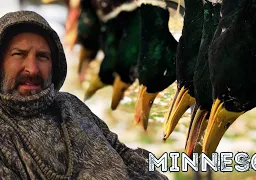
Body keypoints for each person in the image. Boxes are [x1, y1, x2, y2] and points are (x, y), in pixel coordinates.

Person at [0, 11, 167, 180]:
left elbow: (120, 150)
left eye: (43, 56)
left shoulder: (69, 105)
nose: (33, 69)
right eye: (19, 54)